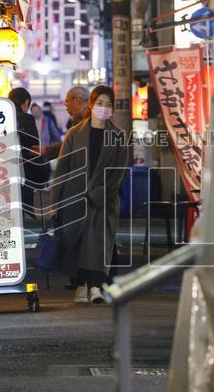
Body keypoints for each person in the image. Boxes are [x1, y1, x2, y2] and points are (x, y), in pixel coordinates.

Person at [50, 85, 129, 304]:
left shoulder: (118, 136)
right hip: (74, 198)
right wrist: (55, 203)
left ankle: (95, 286)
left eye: (109, 104)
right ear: (91, 105)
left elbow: (119, 172)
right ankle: (82, 286)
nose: (104, 108)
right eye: (100, 103)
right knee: (77, 242)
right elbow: (62, 169)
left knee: (98, 243)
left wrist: (100, 194)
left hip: (104, 199)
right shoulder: (75, 133)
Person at [7, 87, 46, 216]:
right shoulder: (27, 118)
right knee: (23, 207)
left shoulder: (3, 117)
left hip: (4, 171)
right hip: (24, 170)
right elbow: (34, 147)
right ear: (26, 102)